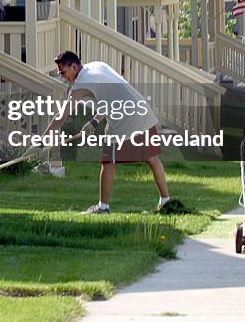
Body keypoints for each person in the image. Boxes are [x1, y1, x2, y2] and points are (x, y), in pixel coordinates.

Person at [47, 50, 171, 214]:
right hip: (140, 108)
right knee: (152, 157)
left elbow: (60, 118)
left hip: (124, 117)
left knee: (108, 161)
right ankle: (166, 201)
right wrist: (94, 122)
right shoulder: (98, 66)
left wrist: (40, 143)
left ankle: (103, 208)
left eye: (63, 72)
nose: (63, 76)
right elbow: (112, 96)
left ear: (74, 66)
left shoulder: (80, 85)